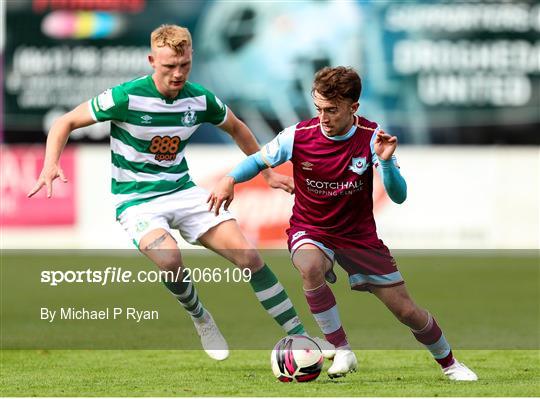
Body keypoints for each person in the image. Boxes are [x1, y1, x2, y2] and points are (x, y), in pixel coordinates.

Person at [28, 24, 319, 361]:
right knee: (170, 260)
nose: (178, 74)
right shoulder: (125, 97)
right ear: (152, 60)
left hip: (182, 191)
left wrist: (266, 171)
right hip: (136, 201)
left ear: (191, 58)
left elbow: (237, 127)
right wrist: (51, 163)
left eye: (185, 65)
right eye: (169, 67)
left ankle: (301, 337)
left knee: (250, 257)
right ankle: (200, 316)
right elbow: (65, 122)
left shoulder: (200, 99)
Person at [208, 66, 478, 380]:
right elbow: (257, 161)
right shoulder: (298, 136)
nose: (323, 117)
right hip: (312, 229)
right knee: (309, 266)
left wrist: (387, 162)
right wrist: (229, 179)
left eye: (332, 110)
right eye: (319, 109)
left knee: (407, 311)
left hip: (358, 237)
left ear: (354, 108)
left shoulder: (372, 137)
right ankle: (342, 350)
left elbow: (399, 195)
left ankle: (450, 364)